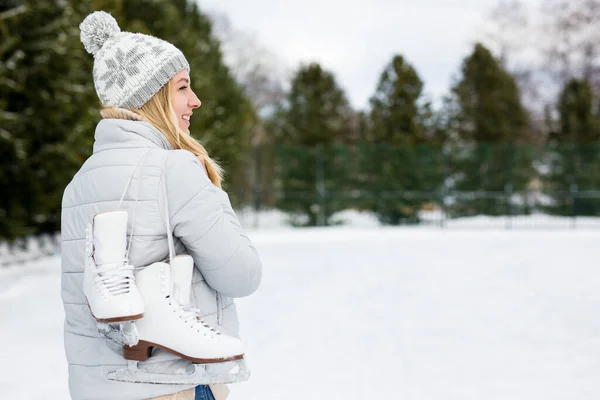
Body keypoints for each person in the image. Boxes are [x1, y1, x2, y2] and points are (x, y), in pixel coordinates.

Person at [60, 11, 262, 400]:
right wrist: (210, 187)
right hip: (175, 385)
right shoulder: (176, 168)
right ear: (151, 96)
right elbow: (243, 274)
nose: (195, 101)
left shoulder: (79, 182)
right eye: (183, 87)